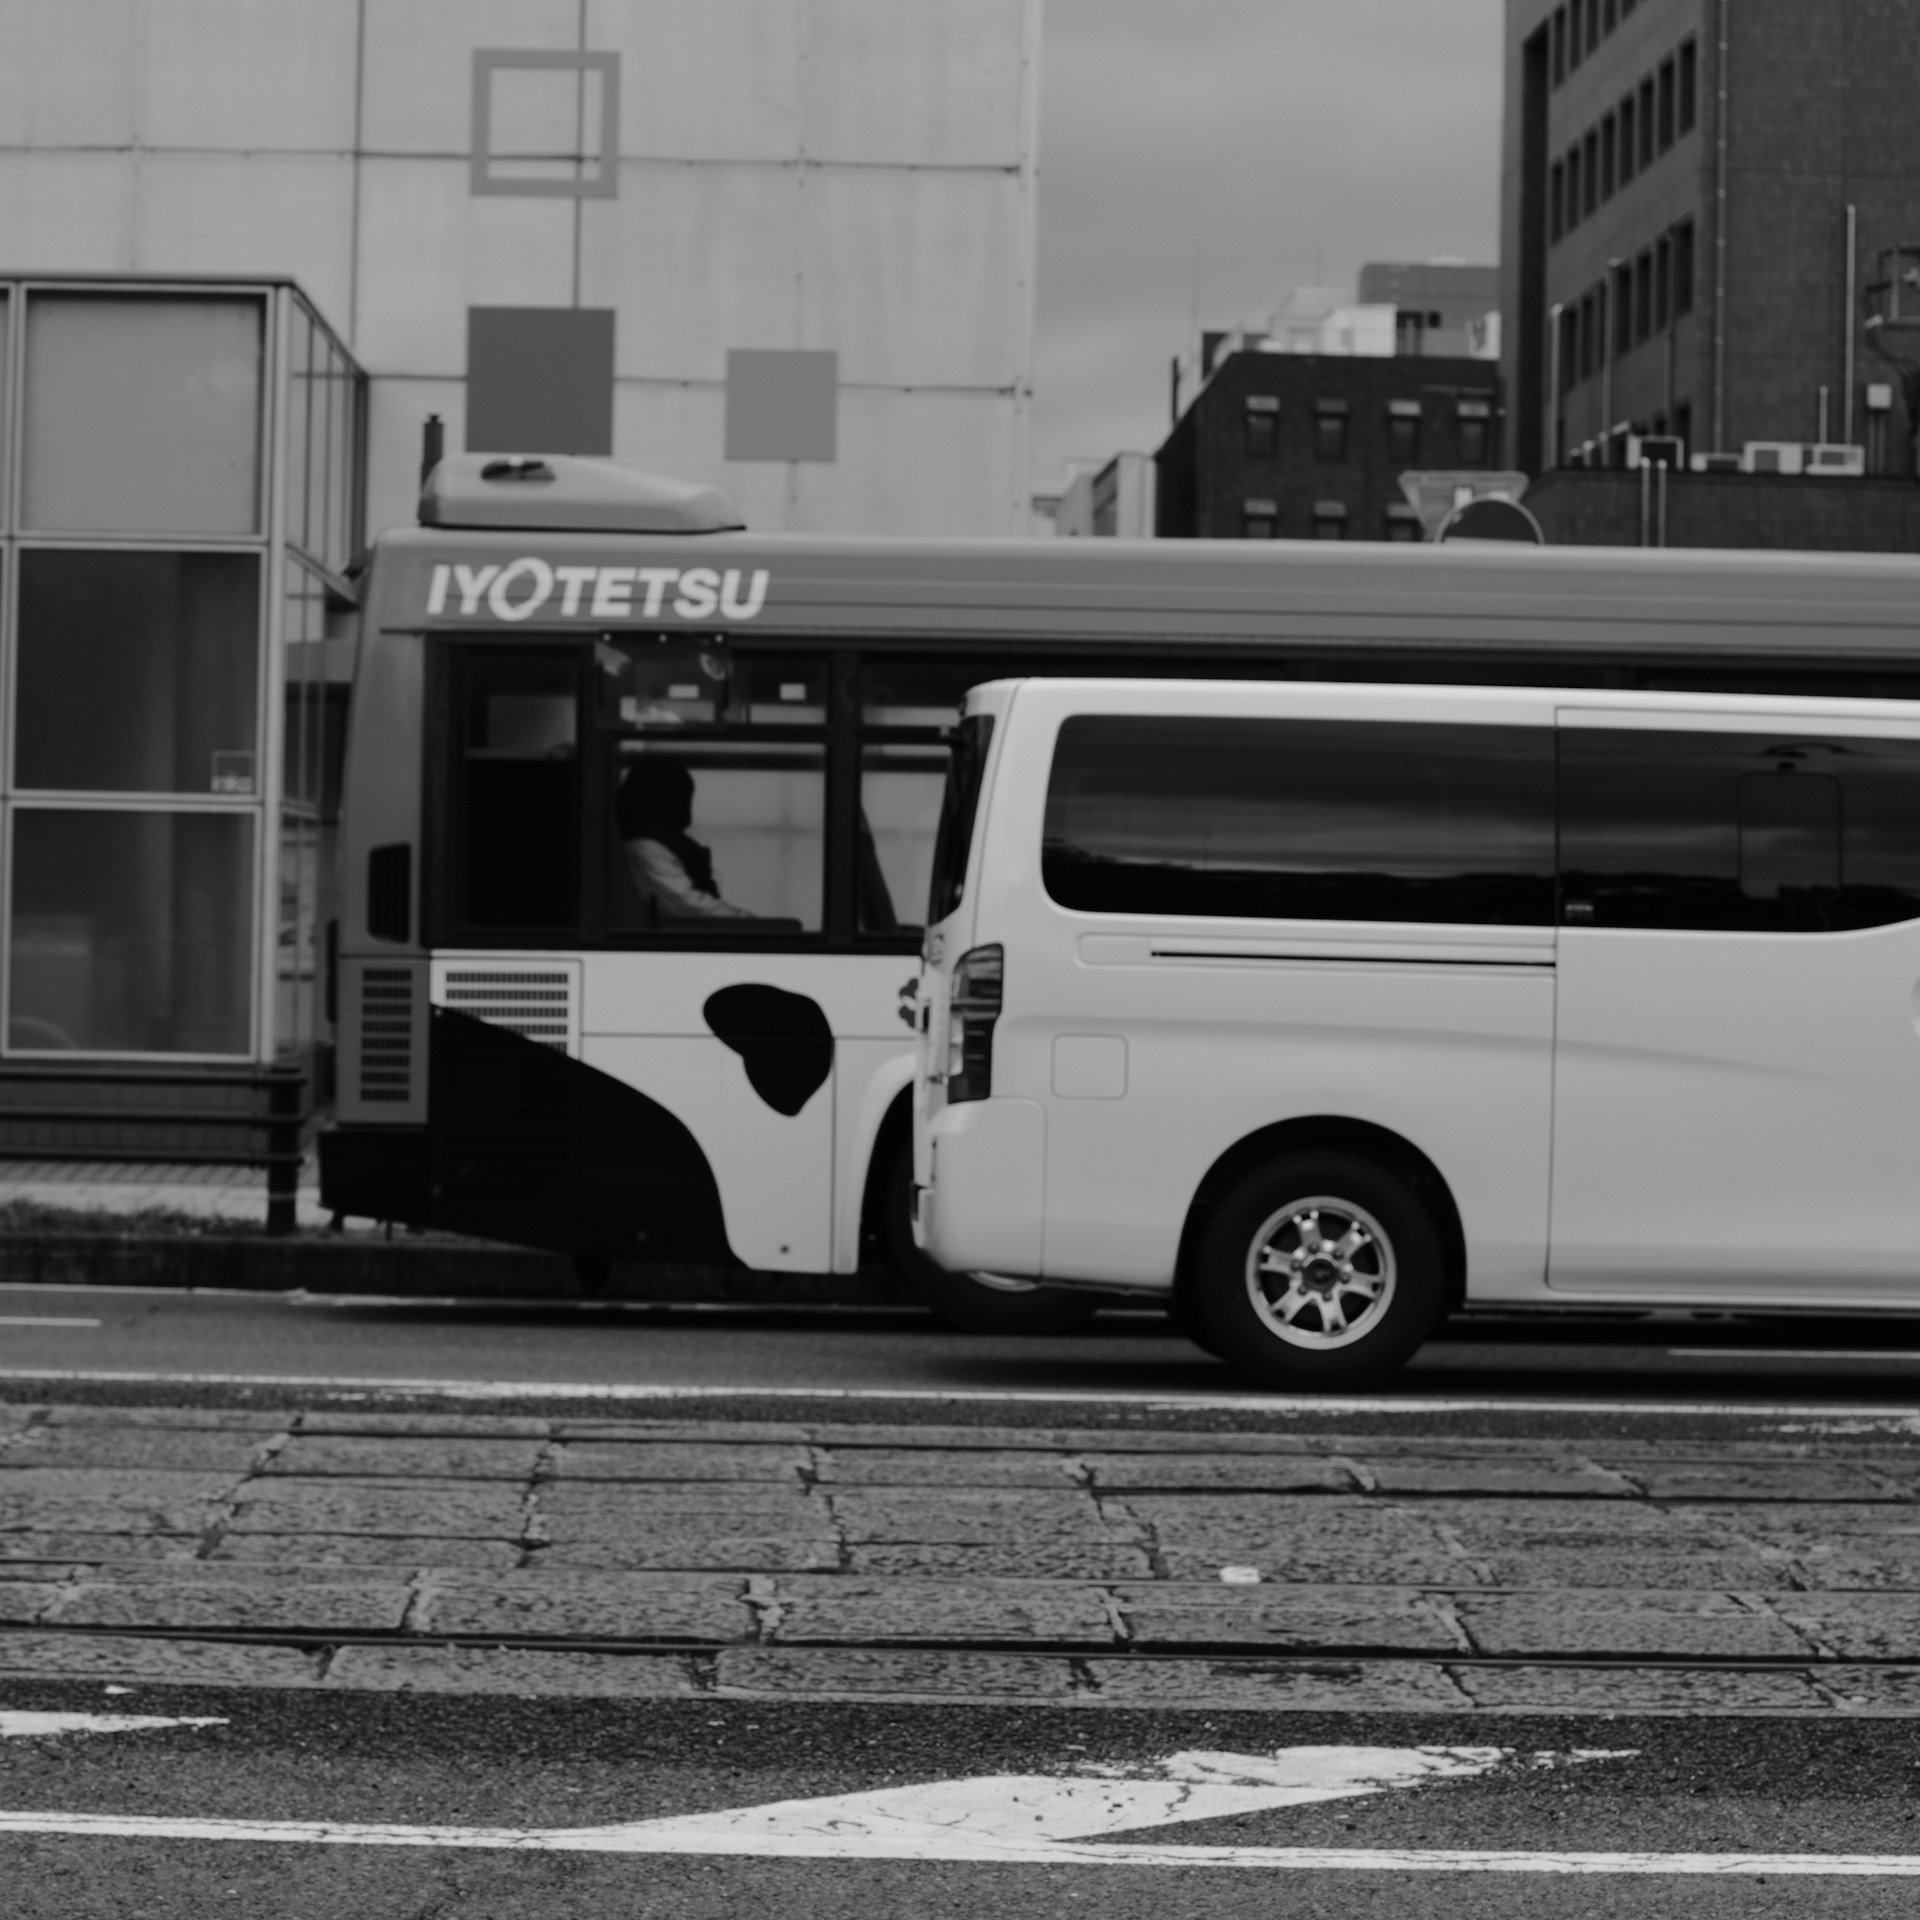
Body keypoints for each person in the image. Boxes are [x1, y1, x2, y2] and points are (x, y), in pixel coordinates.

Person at [616, 759, 754, 921]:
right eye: (680, 800)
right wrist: (749, 923)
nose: (686, 812)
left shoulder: (660, 843)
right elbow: (686, 906)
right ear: (657, 800)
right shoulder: (645, 848)